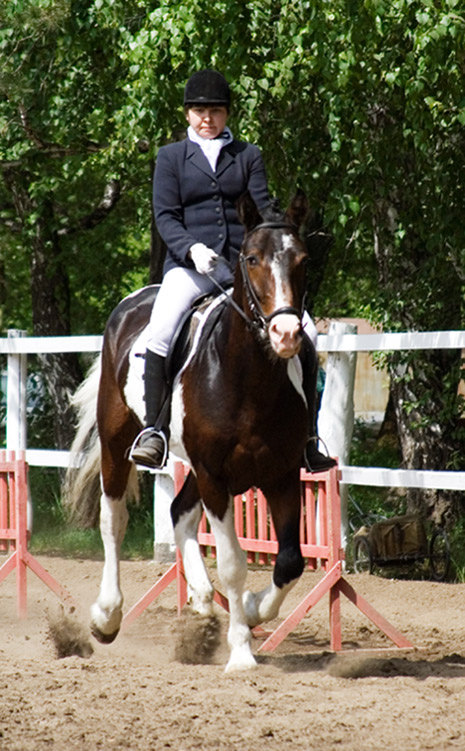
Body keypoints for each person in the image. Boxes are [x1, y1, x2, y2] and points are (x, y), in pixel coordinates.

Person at [130, 69, 335, 473]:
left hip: (244, 270)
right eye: (200, 110)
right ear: (188, 113)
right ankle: (154, 431)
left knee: (306, 332)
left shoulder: (248, 156)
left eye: (216, 111)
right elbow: (166, 216)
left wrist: (270, 241)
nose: (208, 118)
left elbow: (260, 211)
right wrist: (192, 251)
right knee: (161, 331)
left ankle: (308, 437)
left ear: (227, 114)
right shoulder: (170, 158)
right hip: (190, 269)